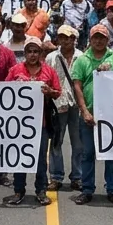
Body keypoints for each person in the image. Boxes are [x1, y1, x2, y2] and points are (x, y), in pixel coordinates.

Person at [71, 24, 113, 206]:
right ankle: (87, 189)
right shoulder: (82, 60)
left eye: (102, 37)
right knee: (88, 154)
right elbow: (77, 86)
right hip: (89, 115)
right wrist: (84, 111)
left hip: (111, 115)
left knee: (111, 153)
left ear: (107, 40)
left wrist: (109, 73)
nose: (98, 40)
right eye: (95, 37)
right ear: (90, 39)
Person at [5, 37, 59, 206]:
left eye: (36, 51)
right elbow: (3, 91)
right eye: (29, 51)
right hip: (19, 124)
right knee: (20, 157)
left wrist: (49, 90)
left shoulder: (49, 71)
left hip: (41, 123)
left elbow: (58, 92)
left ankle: (41, 190)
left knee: (41, 158)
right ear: (25, 53)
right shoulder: (15, 70)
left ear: (40, 53)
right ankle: (18, 190)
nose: (33, 55)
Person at [46, 26, 81, 192]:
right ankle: (56, 176)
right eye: (62, 37)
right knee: (56, 143)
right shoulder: (51, 57)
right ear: (58, 39)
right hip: (57, 103)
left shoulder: (82, 57)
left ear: (74, 39)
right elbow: (47, 78)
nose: (65, 41)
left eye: (68, 37)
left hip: (77, 104)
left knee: (78, 142)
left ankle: (78, 177)